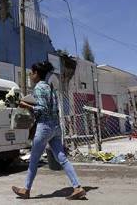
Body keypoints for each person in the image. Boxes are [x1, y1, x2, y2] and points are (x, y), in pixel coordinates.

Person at [12, 61, 86, 200]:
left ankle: (26, 190)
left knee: (34, 160)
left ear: (36, 73)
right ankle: (77, 187)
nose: (30, 75)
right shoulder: (50, 88)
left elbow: (42, 109)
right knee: (62, 159)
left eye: (32, 72)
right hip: (56, 127)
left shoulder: (39, 88)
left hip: (44, 127)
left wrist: (25, 105)